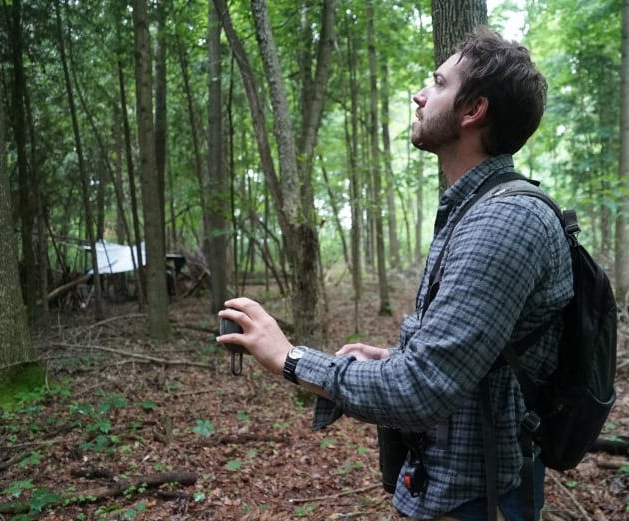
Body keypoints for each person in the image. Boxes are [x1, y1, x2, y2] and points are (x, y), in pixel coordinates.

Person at [217, 27, 573, 521]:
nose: (420, 95)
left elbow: (421, 389)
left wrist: (289, 357)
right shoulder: (475, 209)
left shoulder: (503, 220)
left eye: (439, 83)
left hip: (480, 498)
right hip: (457, 486)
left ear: (473, 111)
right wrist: (389, 357)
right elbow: (472, 358)